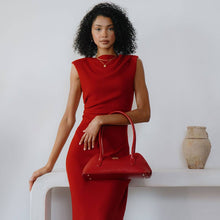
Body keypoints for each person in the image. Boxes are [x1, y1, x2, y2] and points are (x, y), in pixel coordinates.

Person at [29, 2, 151, 220]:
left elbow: (144, 113)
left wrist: (102, 119)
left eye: (110, 28)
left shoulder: (133, 64)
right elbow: (68, 119)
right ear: (90, 32)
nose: (104, 34)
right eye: (98, 28)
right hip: (82, 154)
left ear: (119, 31)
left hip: (116, 154)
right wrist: (49, 164)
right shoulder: (79, 67)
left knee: (107, 215)